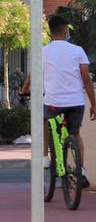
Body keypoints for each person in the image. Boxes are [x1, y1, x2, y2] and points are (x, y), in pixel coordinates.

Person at [22, 14, 96, 185]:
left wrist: (25, 89)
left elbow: (34, 74)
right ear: (65, 30)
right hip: (76, 103)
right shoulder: (78, 51)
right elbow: (86, 80)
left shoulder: (43, 52)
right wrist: (94, 104)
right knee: (75, 133)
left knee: (44, 120)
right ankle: (81, 170)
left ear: (51, 33)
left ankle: (44, 158)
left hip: (53, 103)